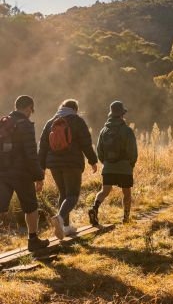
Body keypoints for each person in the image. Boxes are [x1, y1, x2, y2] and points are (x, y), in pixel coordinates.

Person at [39, 99, 97, 240]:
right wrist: (93, 160)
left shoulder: (50, 122)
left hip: (53, 164)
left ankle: (65, 227)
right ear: (75, 109)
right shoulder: (77, 121)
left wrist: (41, 167)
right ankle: (60, 218)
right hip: (72, 163)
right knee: (72, 195)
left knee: (63, 193)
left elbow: (42, 147)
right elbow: (86, 143)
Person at [0, 95, 49, 251]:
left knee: (1, 208)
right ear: (29, 107)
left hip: (3, 173)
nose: (31, 112)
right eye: (32, 109)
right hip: (22, 174)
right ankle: (33, 240)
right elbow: (31, 154)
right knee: (31, 207)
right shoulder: (25, 125)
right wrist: (39, 177)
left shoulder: (4, 122)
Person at [88, 101, 138, 226]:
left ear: (111, 114)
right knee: (126, 193)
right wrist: (130, 165)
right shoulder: (127, 130)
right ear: (122, 114)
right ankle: (126, 219)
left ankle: (94, 208)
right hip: (124, 167)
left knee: (104, 191)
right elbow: (133, 151)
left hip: (108, 167)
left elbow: (99, 150)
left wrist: (106, 163)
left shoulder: (104, 130)